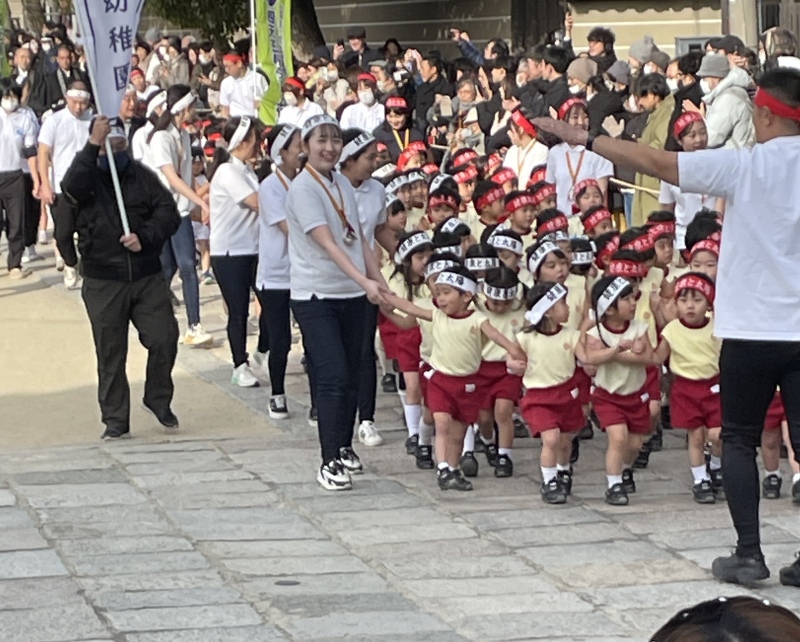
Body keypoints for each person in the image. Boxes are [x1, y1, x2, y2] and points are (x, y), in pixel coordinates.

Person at [533, 66, 800, 587]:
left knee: (739, 439)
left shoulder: (744, 164)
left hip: (750, 330)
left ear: (767, 114)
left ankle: (749, 553)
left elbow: (659, 162)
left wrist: (588, 139)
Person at [285, 114, 390, 491]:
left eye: (334, 140)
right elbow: (328, 243)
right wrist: (364, 280)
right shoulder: (303, 189)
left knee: (354, 371)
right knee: (332, 375)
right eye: (321, 140)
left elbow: (358, 237)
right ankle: (328, 460)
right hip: (317, 295)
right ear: (305, 146)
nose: (329, 148)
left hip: (353, 293)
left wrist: (379, 282)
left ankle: (344, 445)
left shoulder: (342, 182)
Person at [59, 115, 181, 440]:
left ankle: (157, 398)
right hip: (104, 280)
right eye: (106, 147)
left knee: (164, 337)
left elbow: (168, 213)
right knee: (111, 352)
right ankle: (115, 418)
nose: (114, 153)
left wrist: (145, 236)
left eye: (118, 146)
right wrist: (92, 146)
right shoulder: (84, 176)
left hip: (146, 275)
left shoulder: (142, 176)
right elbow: (70, 189)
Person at [145, 85, 213, 348]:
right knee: (166, 267)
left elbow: (186, 176)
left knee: (187, 265)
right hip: (163, 211)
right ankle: (152, 315)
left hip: (180, 211)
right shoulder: (161, 138)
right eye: (192, 106)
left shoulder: (184, 136)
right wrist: (199, 200)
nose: (195, 111)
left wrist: (195, 203)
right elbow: (171, 177)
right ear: (183, 108)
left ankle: (194, 325)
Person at [655, 272, 722, 504]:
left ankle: (716, 465)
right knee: (695, 436)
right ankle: (700, 479)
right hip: (685, 388)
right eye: (683, 300)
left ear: (709, 303)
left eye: (697, 300)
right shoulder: (672, 330)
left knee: (717, 434)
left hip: (713, 386)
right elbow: (658, 357)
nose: (690, 306)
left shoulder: (716, 327)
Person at [206, 116, 262, 387]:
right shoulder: (228, 172)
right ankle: (240, 364)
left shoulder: (248, 171)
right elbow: (257, 202)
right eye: (256, 139)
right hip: (230, 252)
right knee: (238, 311)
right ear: (243, 141)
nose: (259, 144)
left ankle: (263, 349)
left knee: (272, 302)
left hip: (254, 248)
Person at [255, 125, 302, 419]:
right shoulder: (270, 187)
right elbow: (289, 229)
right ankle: (277, 393)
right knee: (280, 339)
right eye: (298, 145)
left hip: (303, 272)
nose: (303, 151)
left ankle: (317, 402)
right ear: (282, 152)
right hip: (276, 274)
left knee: (311, 338)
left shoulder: (308, 181)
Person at [38, 79, 93, 288]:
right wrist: (45, 184)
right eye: (74, 102)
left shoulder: (93, 120)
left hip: (88, 187)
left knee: (89, 232)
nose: (78, 107)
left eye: (82, 103)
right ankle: (70, 263)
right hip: (61, 186)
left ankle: (89, 269)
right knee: (63, 233)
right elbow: (43, 152)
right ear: (67, 99)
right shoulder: (54, 121)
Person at [692, 53, 756, 149]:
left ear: (716, 77)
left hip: (732, 155)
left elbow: (711, 137)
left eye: (705, 78)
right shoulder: (726, 94)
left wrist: (700, 118)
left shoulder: (729, 98)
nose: (702, 82)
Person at [219, 52, 268, 119]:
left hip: (255, 119)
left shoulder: (258, 79)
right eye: (225, 67)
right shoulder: (226, 83)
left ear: (239, 63)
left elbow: (263, 103)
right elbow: (225, 107)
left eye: (228, 66)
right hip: (234, 120)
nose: (226, 70)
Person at [43, 44, 87, 110]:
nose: (65, 61)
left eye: (67, 58)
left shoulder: (80, 74)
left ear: (71, 58)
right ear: (57, 59)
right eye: (62, 58)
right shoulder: (51, 78)